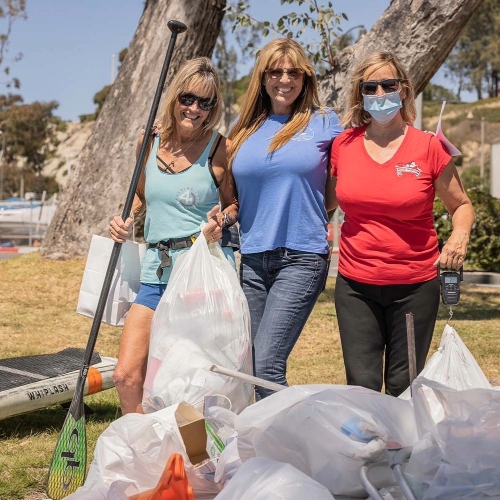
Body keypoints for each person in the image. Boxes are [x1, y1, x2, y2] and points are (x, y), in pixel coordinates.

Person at [330, 51, 475, 397]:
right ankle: (369, 451)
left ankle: (404, 452)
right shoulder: (344, 146)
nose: (380, 94)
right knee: (361, 386)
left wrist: (459, 236)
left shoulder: (428, 147)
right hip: (354, 285)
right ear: (361, 95)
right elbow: (322, 204)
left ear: (404, 91)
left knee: (402, 386)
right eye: (370, 87)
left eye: (388, 85)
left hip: (414, 286)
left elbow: (462, 206)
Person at [109, 57, 238, 414]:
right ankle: (140, 447)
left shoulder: (219, 147)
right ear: (175, 97)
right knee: (126, 375)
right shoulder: (149, 142)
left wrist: (221, 223)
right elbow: (139, 194)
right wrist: (126, 219)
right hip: (156, 271)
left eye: (206, 102)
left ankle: (194, 458)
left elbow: (234, 204)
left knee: (190, 378)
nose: (195, 109)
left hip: (201, 273)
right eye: (188, 98)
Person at [228, 38, 343, 399]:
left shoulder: (325, 123)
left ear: (305, 78)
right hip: (252, 261)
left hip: (301, 257)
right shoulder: (242, 130)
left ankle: (296, 446)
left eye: (294, 72)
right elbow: (229, 194)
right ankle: (263, 450)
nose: (285, 79)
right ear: (262, 79)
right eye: (275, 71)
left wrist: (301, 213)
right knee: (249, 367)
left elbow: (335, 192)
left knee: (267, 367)